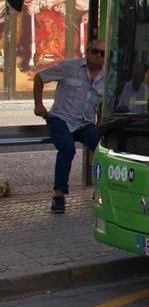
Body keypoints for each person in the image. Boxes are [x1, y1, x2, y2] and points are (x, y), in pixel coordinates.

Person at [34, 40, 105, 214]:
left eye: (103, 53)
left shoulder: (107, 75)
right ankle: (58, 196)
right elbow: (39, 77)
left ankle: (103, 190)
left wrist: (100, 121)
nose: (99, 56)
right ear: (87, 51)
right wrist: (39, 105)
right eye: (95, 51)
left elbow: (103, 101)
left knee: (104, 149)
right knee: (67, 148)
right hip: (61, 119)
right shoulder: (70, 67)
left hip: (85, 123)